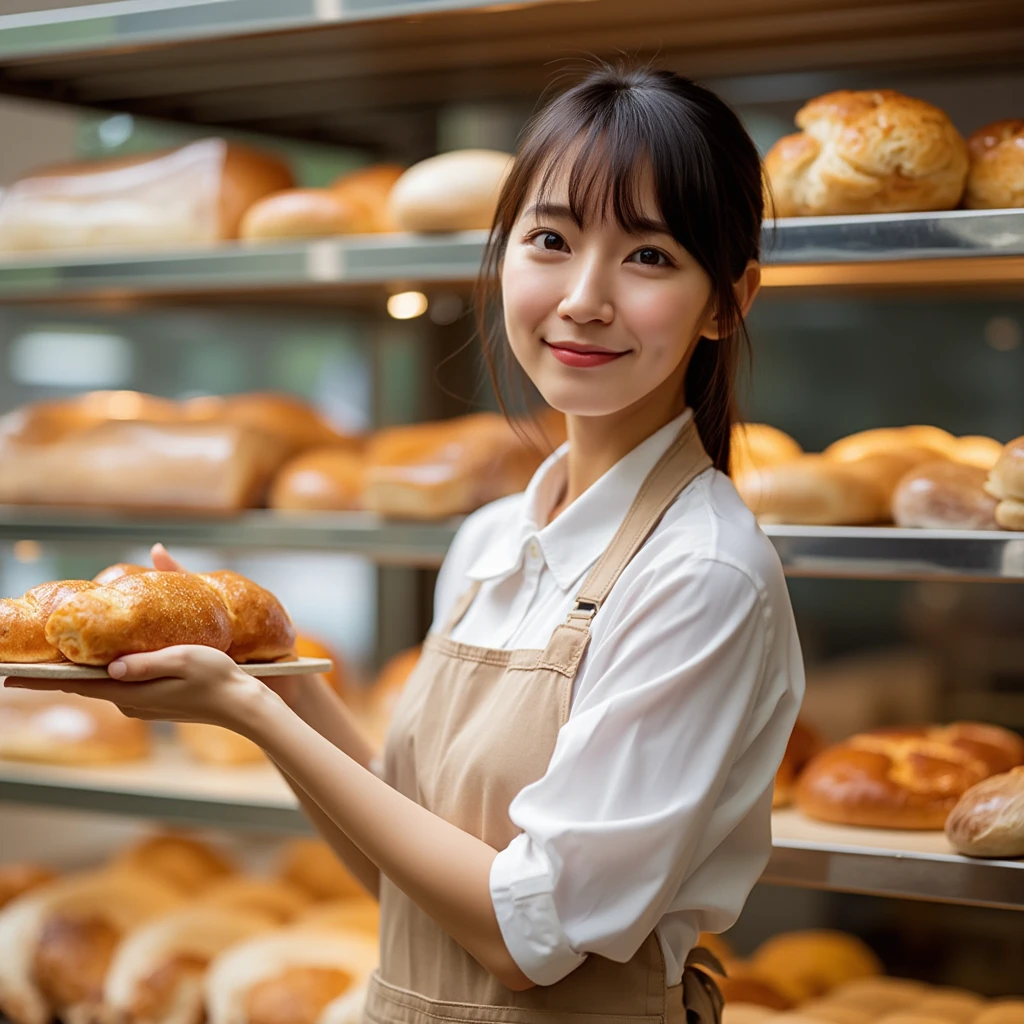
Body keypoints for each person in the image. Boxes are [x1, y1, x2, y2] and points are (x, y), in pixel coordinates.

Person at [8, 64, 804, 1024]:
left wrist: (251, 717)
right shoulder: (488, 541)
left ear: (728, 300)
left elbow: (524, 940)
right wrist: (280, 678)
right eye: (550, 240)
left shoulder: (704, 573)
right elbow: (396, 868)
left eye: (649, 257)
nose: (584, 297)